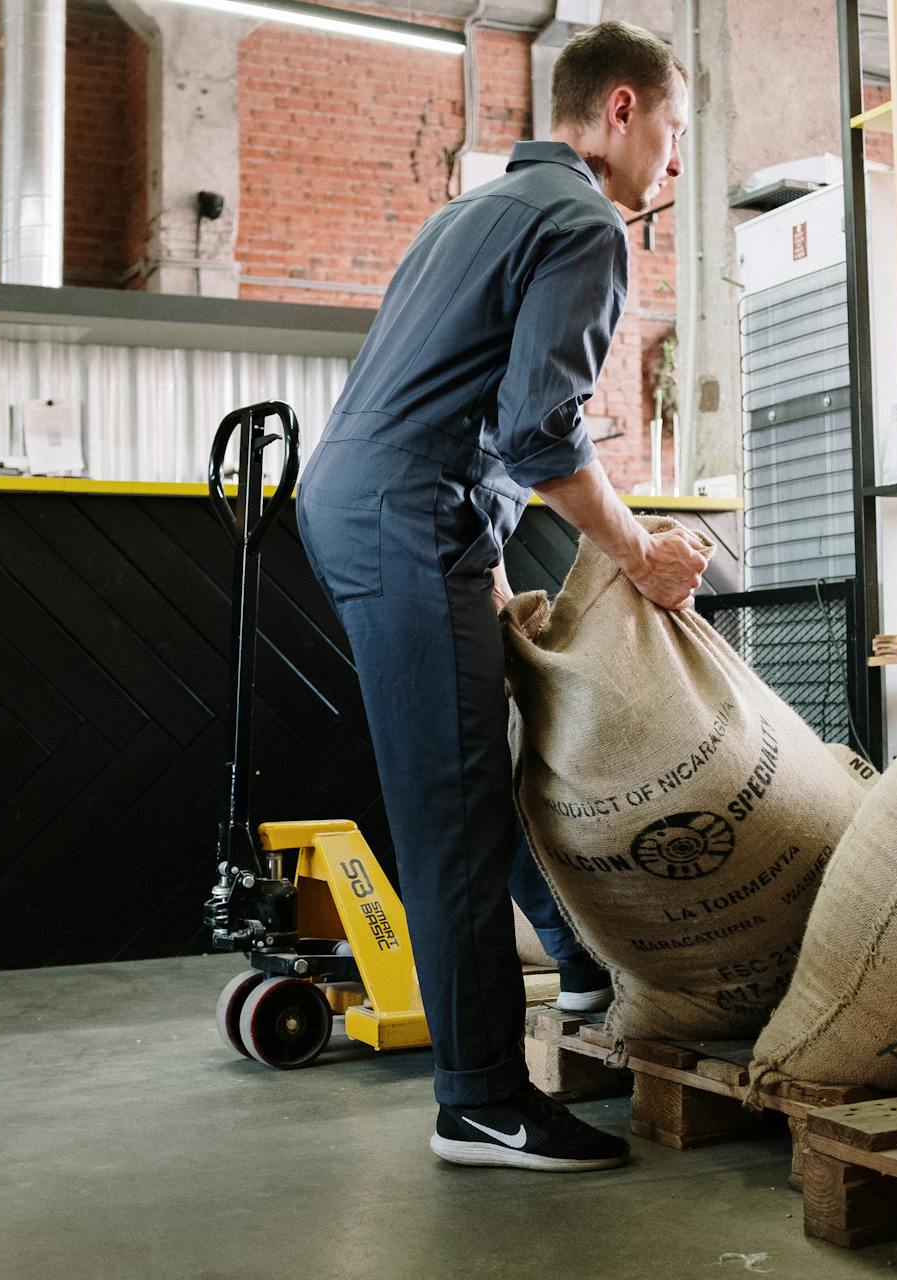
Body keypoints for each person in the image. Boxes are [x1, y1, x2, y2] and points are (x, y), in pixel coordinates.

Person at [295, 20, 706, 1173]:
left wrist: (474, 547)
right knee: (453, 798)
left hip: (375, 503)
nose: (670, 165)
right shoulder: (583, 221)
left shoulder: (469, 211)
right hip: (404, 513)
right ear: (619, 111)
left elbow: (454, 399)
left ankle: (574, 967)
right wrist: (637, 551)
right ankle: (477, 1098)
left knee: (490, 743)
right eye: (671, 134)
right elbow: (538, 431)